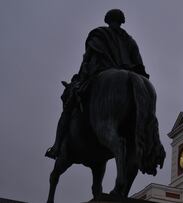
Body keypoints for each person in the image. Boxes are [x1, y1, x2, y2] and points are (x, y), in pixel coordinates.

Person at [45, 9, 149, 159]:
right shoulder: (130, 40)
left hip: (101, 72)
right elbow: (139, 63)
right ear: (122, 21)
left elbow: (88, 58)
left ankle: (56, 146)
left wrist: (80, 77)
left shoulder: (98, 34)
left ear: (107, 20)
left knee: (68, 107)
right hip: (132, 74)